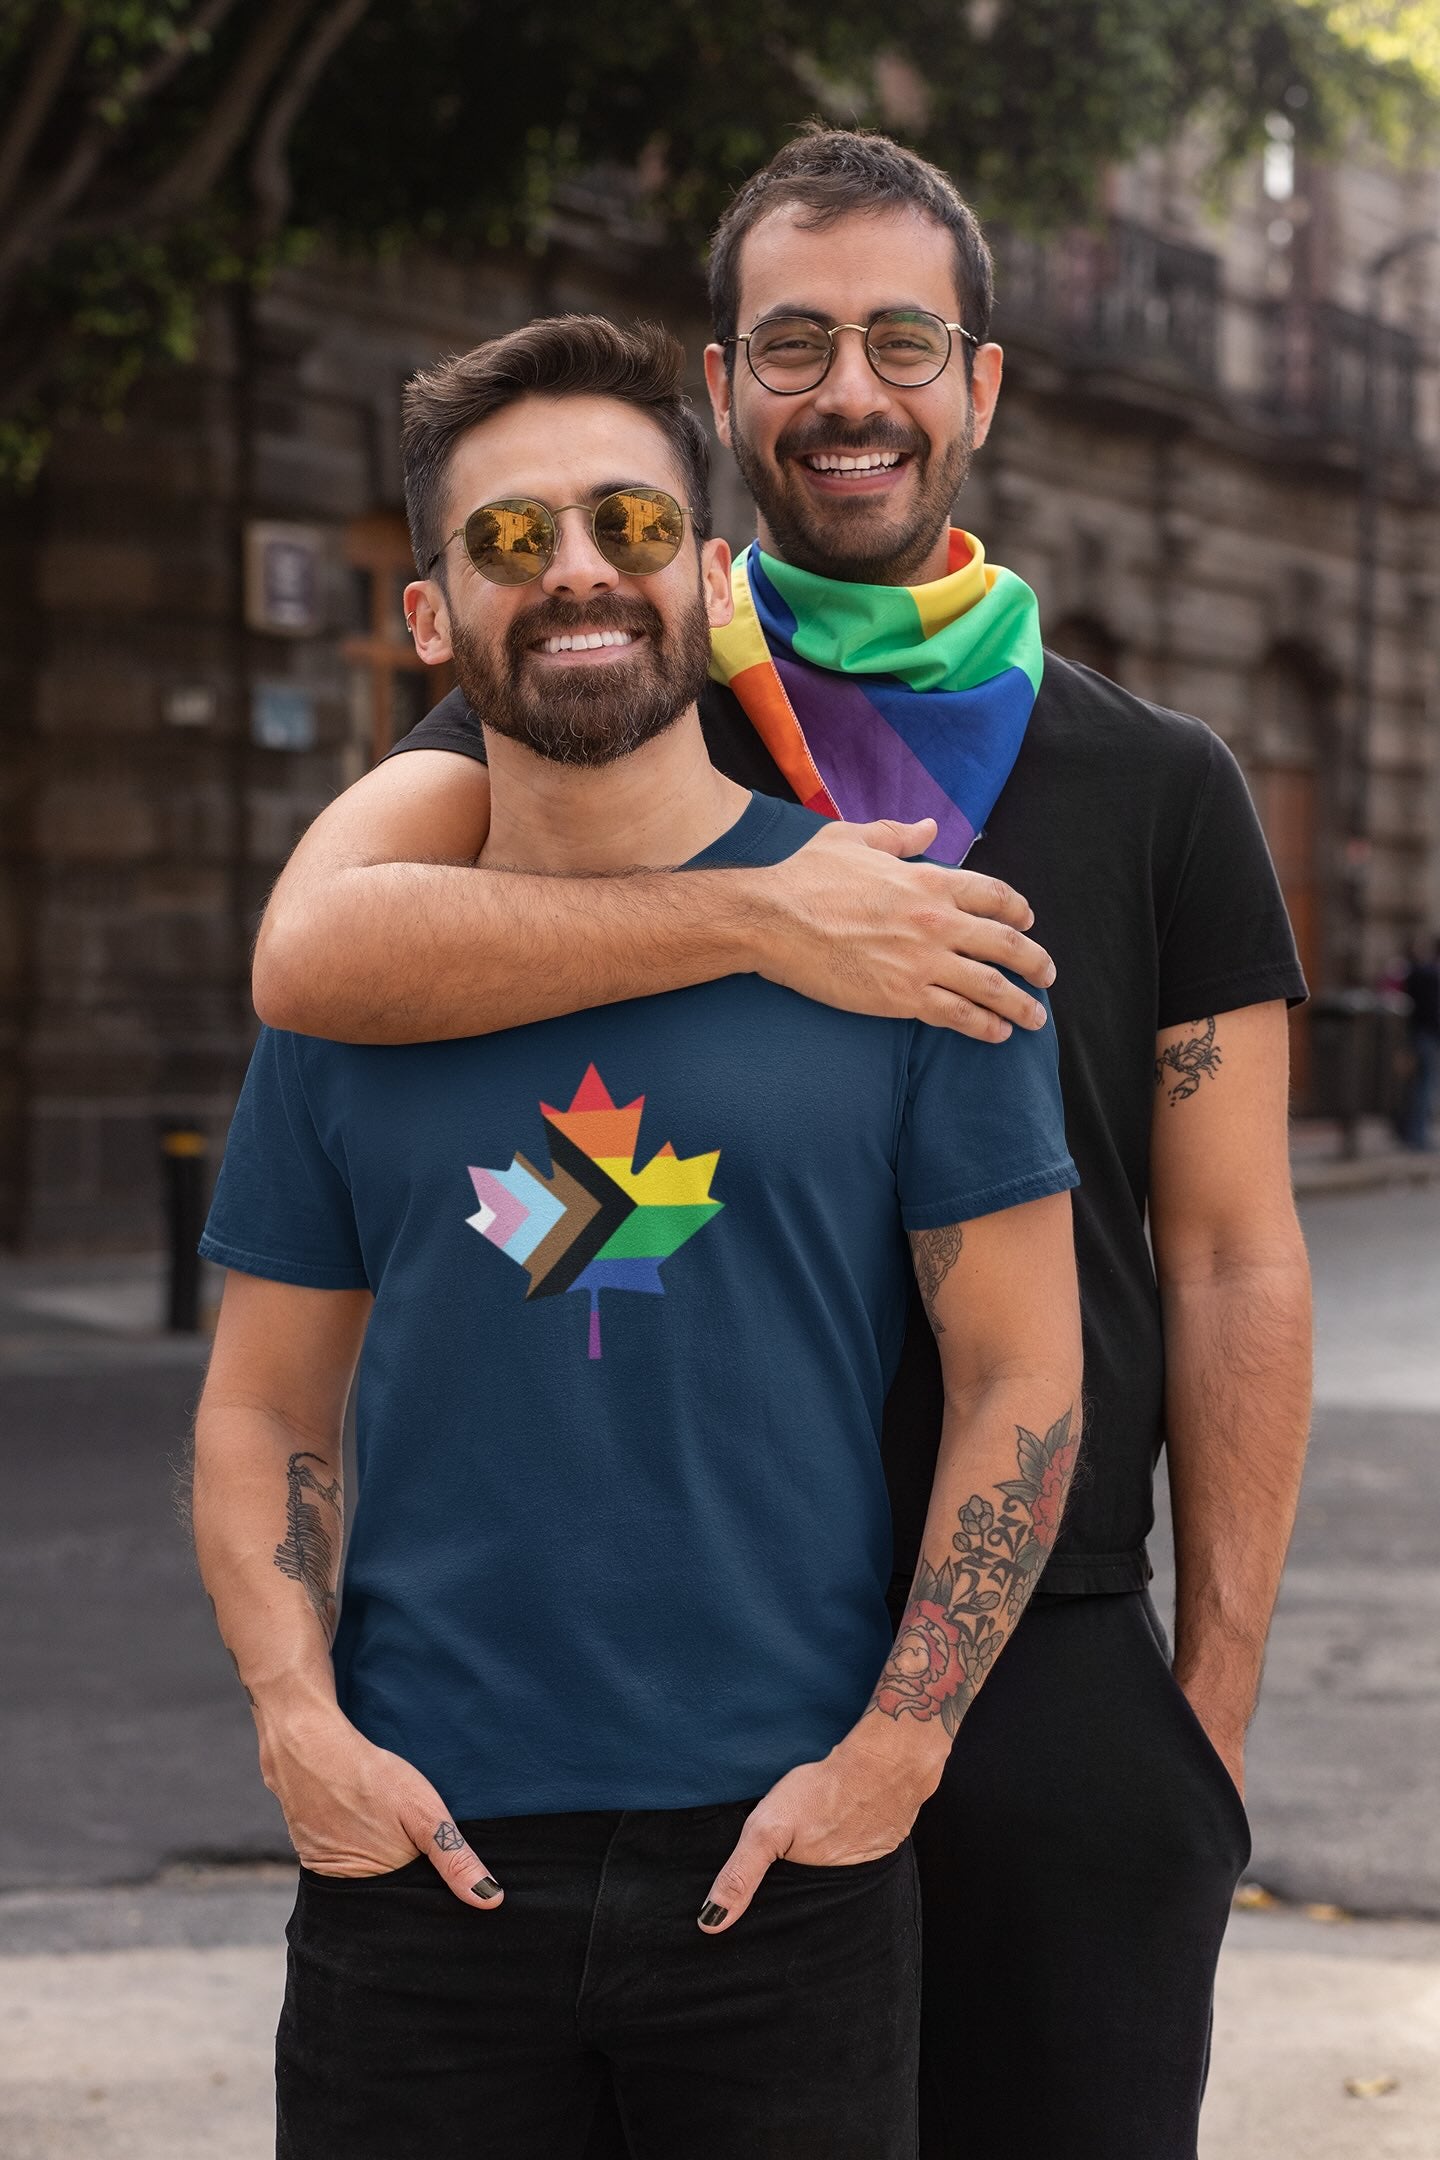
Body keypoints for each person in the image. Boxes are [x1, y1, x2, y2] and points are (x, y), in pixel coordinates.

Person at [251, 130, 1314, 2160]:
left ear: (981, 386)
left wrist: (1212, 1711)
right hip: (693, 1669)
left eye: (906, 342)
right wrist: (767, 907)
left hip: (1041, 1644)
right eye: (794, 342)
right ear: (728, 388)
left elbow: (1237, 1254)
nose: (851, 392)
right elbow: (317, 946)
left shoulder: (1159, 784)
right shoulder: (599, 685)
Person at [193, 314, 1083, 2159]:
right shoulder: (355, 994)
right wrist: (296, 1723)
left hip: (787, 1873)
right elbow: (262, 1401)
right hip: (416, 1871)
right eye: (514, 540)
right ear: (431, 617)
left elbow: (1023, 1372)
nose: (581, 570)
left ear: (706, 573)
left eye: (631, 524)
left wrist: (900, 1747)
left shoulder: (915, 951)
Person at [1402, 936, 1440, 1149]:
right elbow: (1432, 1010)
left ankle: (1414, 1133)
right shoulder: (1429, 975)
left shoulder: (1415, 972)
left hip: (1415, 1035)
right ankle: (1418, 1136)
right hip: (1426, 1036)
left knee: (1419, 1086)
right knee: (1424, 1087)